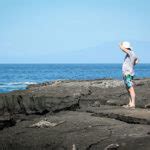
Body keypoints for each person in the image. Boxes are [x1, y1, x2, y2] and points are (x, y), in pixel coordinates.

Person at [119, 41, 139, 109]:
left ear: (127, 48)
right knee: (128, 88)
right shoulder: (131, 54)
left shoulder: (130, 53)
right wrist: (134, 63)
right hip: (127, 74)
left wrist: (120, 44)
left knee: (130, 89)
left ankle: (133, 104)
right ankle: (130, 103)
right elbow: (137, 60)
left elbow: (122, 48)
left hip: (128, 74)